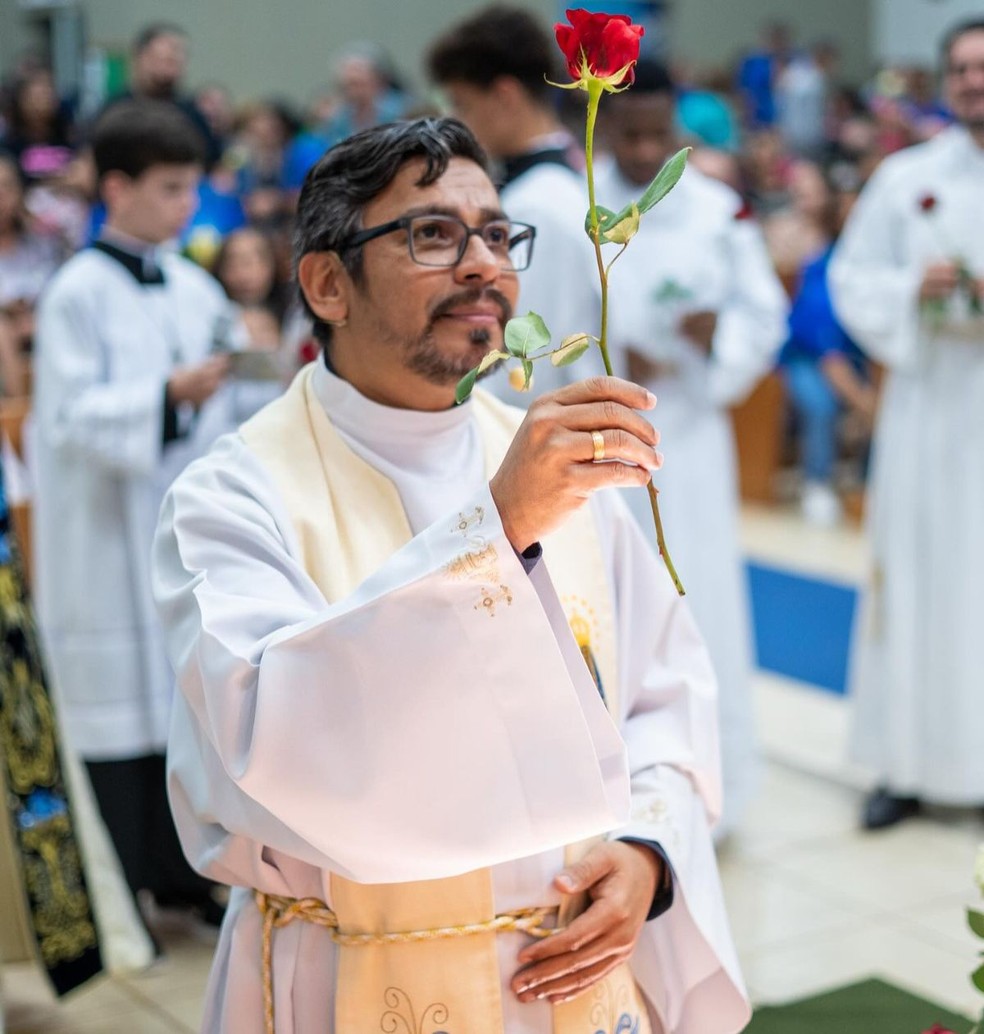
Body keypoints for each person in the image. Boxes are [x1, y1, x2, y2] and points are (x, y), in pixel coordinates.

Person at [152, 117, 748, 1034]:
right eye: (433, 234)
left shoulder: (547, 455)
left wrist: (646, 852)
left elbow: (664, 693)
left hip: (576, 974)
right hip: (358, 975)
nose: (486, 267)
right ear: (326, 282)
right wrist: (497, 528)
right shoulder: (233, 495)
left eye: (498, 235)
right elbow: (265, 752)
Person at [32, 99, 235, 940]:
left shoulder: (195, 282)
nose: (188, 205)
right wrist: (164, 396)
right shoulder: (74, 291)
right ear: (116, 187)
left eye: (192, 188)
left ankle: (185, 878)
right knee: (118, 716)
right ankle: (125, 899)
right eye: (170, 188)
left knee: (186, 703)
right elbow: (71, 415)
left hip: (180, 521)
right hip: (105, 531)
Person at [595, 59, 789, 836]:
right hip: (606, 438)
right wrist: (607, 359)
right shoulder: (580, 204)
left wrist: (717, 344)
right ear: (606, 127)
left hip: (695, 440)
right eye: (630, 134)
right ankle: (616, 795)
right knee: (612, 608)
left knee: (698, 600)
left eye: (657, 134)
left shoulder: (716, 210)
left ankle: (712, 797)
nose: (644, 151)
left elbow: (763, 313)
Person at [829, 19, 984, 830]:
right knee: (919, 580)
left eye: (982, 67)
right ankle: (908, 764)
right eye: (959, 68)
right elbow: (851, 277)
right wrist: (911, 292)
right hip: (929, 407)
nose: (971, 80)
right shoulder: (905, 177)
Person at [427, 4, 603, 401]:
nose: (456, 119)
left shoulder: (537, 206)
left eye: (462, 103)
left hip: (532, 423)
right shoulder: (555, 186)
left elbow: (521, 351)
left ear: (505, 95)